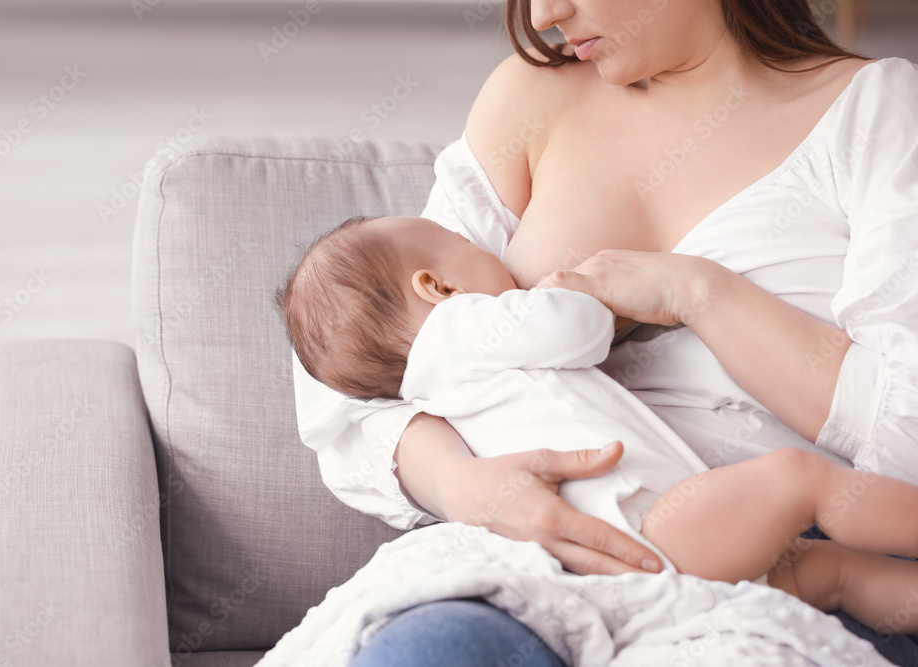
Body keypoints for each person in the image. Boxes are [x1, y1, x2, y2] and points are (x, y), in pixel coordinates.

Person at [291, 0, 918, 662]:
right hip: (531, 559)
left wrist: (700, 293)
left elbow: (908, 435)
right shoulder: (533, 95)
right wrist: (460, 484)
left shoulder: (876, 112)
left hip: (776, 561)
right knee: (434, 648)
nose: (545, 15)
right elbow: (351, 367)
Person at [278, 211, 918, 634]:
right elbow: (578, 332)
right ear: (436, 288)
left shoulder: (438, 390)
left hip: (643, 554)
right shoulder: (463, 329)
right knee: (799, 478)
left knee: (833, 576)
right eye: (469, 247)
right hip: (658, 527)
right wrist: (575, 291)